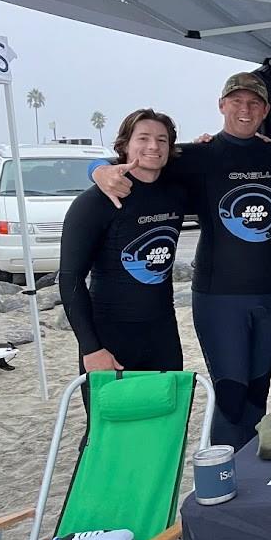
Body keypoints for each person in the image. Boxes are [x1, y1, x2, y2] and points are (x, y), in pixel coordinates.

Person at [93, 72, 271, 449]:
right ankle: (224, 472)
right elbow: (135, 161)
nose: (245, 109)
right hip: (219, 298)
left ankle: (247, 471)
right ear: (222, 105)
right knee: (231, 394)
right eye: (237, 101)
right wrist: (98, 171)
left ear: (266, 110)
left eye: (254, 102)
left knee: (257, 390)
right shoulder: (197, 155)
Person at [59, 110, 187, 409]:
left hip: (162, 334)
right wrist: (91, 348)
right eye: (143, 138)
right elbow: (69, 278)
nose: (153, 146)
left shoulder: (176, 192)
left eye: (162, 140)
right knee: (109, 427)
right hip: (110, 337)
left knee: (164, 422)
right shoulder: (94, 202)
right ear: (124, 145)